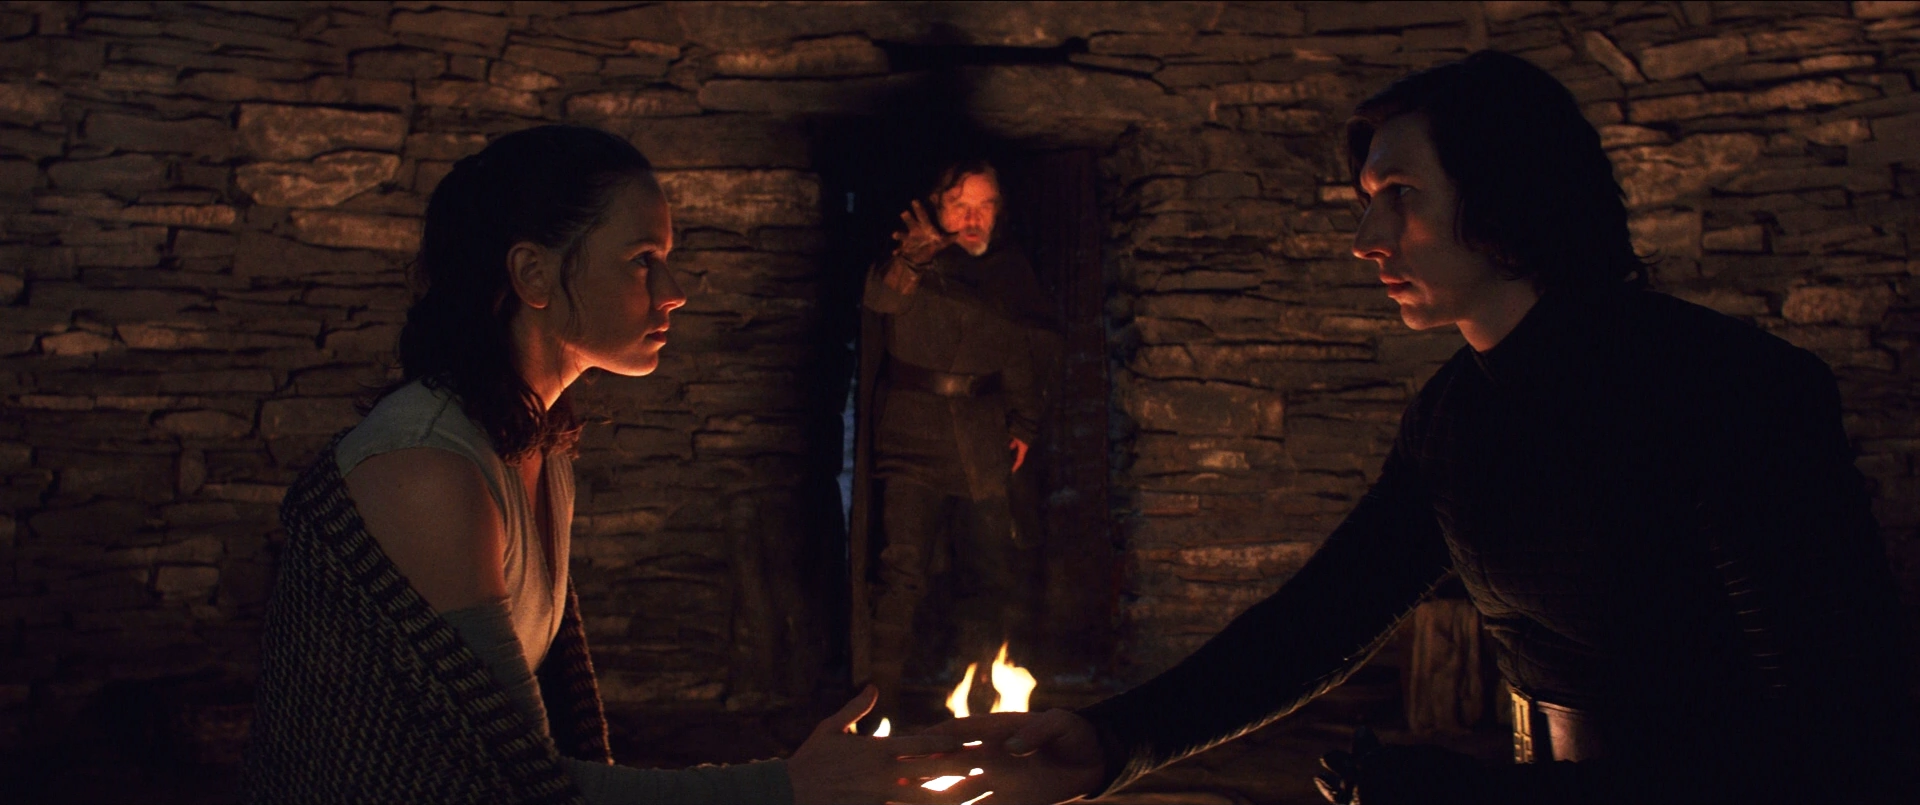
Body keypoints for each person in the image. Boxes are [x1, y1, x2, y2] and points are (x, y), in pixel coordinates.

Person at [928, 50, 1914, 805]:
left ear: (1505, 196)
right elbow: (1324, 617)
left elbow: (1836, 734)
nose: (1366, 241)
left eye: (1399, 198)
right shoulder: (1455, 415)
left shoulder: (1728, 390)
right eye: (1368, 203)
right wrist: (1112, 741)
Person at [245, 125, 974, 805]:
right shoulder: (429, 469)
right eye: (642, 260)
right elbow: (517, 784)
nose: (673, 291)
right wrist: (788, 787)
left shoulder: (536, 443)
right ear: (533, 273)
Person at [850, 161, 1056, 726]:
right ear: (937, 208)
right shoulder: (911, 262)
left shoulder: (1010, 272)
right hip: (911, 438)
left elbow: (1021, 351)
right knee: (901, 573)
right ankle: (876, 710)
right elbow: (881, 300)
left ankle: (983, 705)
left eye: (984, 205)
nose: (973, 218)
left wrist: (1024, 424)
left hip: (982, 441)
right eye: (960, 205)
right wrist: (912, 260)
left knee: (989, 571)